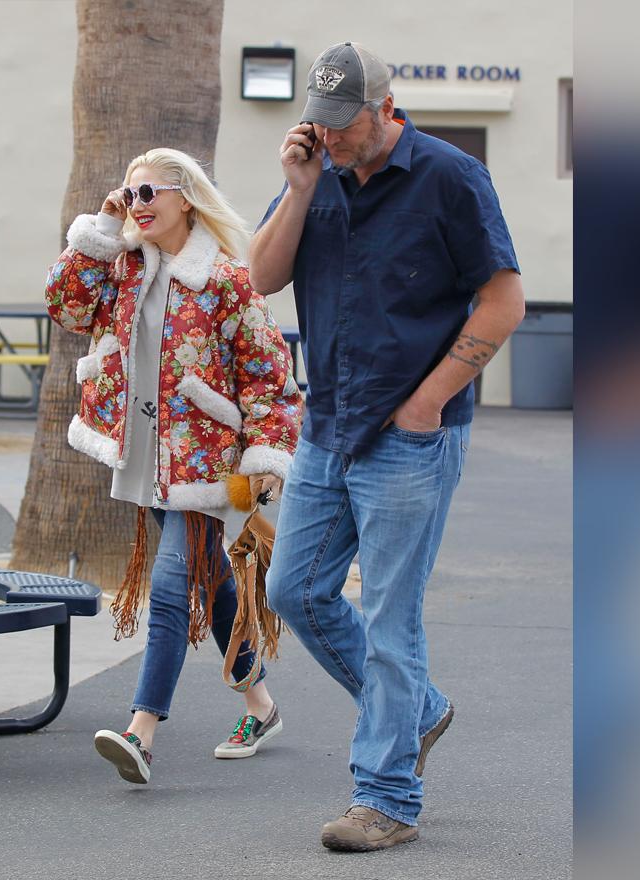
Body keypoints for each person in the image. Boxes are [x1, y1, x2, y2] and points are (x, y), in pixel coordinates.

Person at [249, 42, 526, 850]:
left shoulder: (449, 176)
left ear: (384, 106)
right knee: (294, 591)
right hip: (327, 427)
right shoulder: (316, 174)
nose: (329, 137)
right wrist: (300, 188)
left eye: (343, 125)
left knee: (391, 619)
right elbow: (262, 277)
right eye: (319, 124)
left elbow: (503, 300)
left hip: (408, 437)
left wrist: (430, 400)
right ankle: (422, 711)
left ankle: (386, 798)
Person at [45, 147, 302, 785]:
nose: (140, 205)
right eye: (131, 194)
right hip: (149, 458)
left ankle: (142, 733)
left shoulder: (227, 278)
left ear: (187, 198)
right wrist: (101, 233)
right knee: (211, 581)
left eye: (152, 192)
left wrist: (267, 456)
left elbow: (271, 377)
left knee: (169, 588)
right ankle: (261, 706)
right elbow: (67, 307)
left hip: (208, 463)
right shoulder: (126, 266)